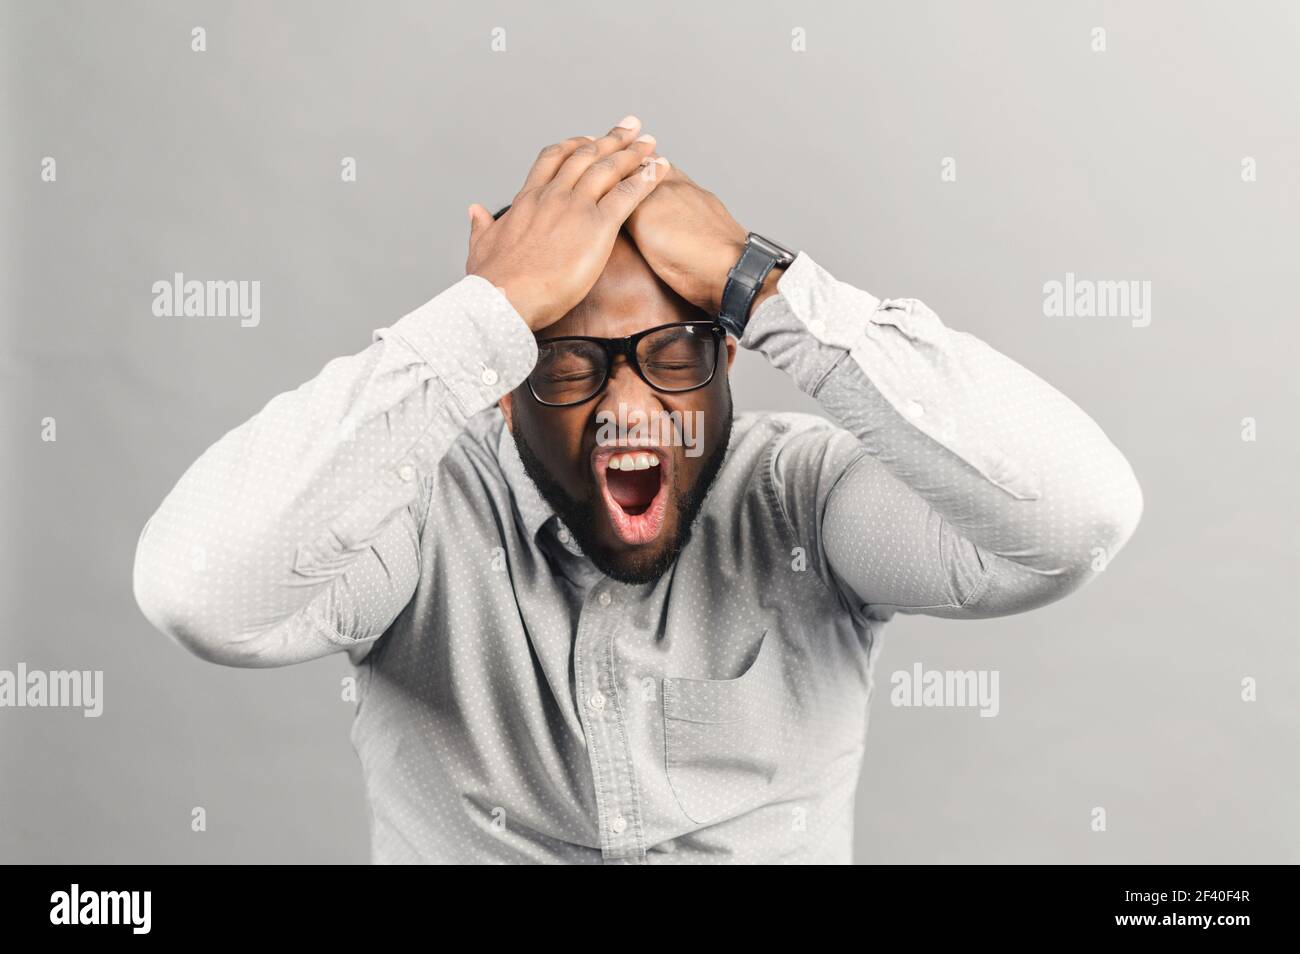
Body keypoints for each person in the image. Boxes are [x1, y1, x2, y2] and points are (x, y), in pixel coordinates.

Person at [133, 114, 1144, 863]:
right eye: (567, 361)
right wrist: (479, 316)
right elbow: (199, 592)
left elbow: (1075, 516)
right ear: (500, 386)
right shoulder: (413, 519)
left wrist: (760, 281)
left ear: (728, 359)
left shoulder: (803, 503)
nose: (627, 408)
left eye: (669, 352)